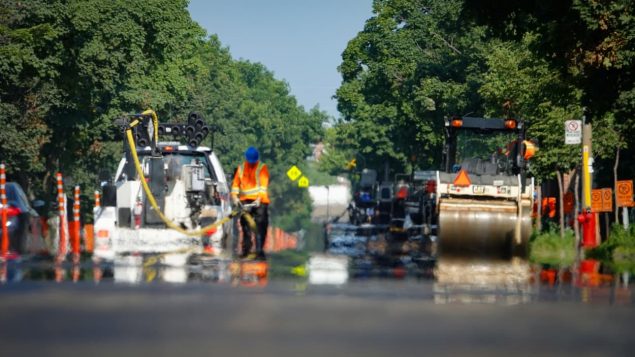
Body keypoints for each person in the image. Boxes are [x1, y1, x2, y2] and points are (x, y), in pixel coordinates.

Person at [231, 146, 270, 260]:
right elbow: (235, 185)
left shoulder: (262, 168)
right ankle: (246, 250)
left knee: (261, 225)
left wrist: (259, 199)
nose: (252, 163)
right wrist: (234, 197)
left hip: (260, 201)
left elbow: (263, 186)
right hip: (244, 201)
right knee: (245, 226)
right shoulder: (241, 168)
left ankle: (259, 250)